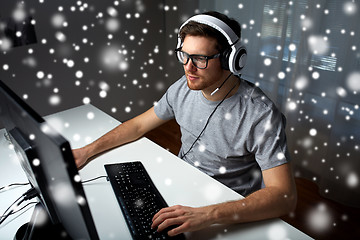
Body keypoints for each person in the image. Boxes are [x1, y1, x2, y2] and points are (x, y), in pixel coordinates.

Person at [73, 11, 297, 237]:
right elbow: (138, 126)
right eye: (184, 55)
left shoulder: (260, 114)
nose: (188, 68)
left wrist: (208, 215)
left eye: (200, 58)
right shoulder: (183, 87)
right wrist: (86, 151)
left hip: (223, 207)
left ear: (231, 59)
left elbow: (284, 196)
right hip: (181, 185)